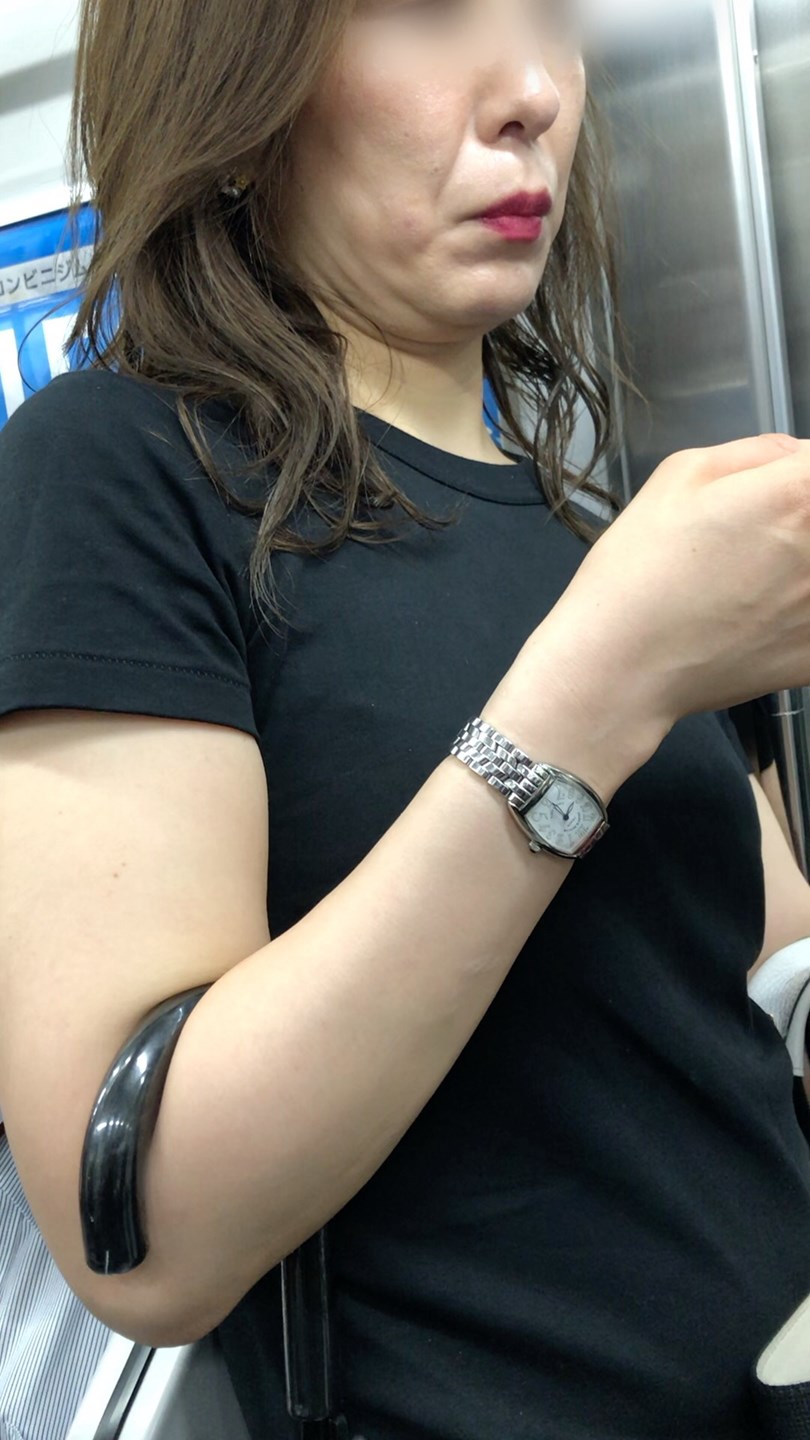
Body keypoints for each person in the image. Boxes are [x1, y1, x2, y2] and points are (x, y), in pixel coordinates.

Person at [0, 1, 809, 1438]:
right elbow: (139, 1226)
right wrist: (602, 685)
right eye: (429, 12)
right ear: (235, 84)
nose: (533, 93)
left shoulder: (586, 520)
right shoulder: (122, 472)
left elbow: (761, 973)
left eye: (550, 17)